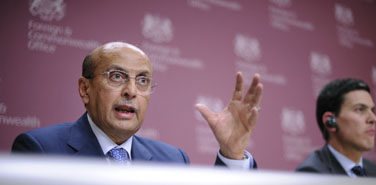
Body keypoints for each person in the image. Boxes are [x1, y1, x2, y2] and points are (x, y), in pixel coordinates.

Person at [12, 41, 263, 169]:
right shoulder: (40, 150)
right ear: (84, 89)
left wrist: (232, 154)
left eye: (142, 81)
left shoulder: (173, 160)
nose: (131, 91)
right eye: (117, 77)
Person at [296, 78, 376, 177]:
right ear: (330, 121)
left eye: (372, 110)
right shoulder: (312, 174)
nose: (374, 119)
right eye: (360, 109)